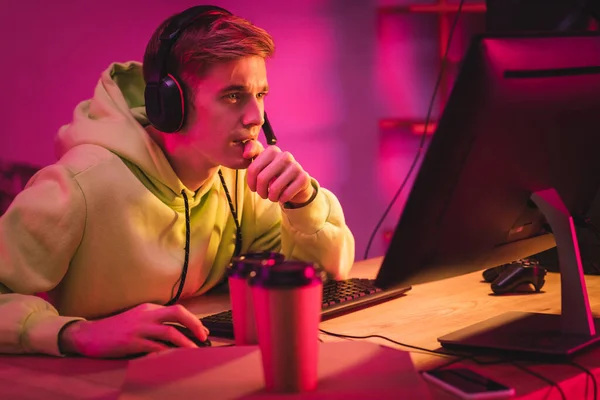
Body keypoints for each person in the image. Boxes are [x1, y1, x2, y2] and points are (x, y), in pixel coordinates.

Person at [0, 5, 355, 358]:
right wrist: (77, 334)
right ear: (171, 104)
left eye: (260, 95)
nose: (255, 117)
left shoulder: (238, 178)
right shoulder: (79, 185)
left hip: (193, 372)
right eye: (233, 95)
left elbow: (323, 276)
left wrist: (304, 204)